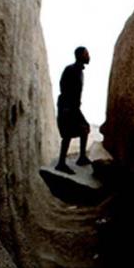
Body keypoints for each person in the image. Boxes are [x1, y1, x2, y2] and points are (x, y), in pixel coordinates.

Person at [54, 46, 92, 174]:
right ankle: (61, 163)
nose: (89, 56)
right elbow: (63, 86)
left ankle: (81, 157)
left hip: (73, 107)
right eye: (87, 54)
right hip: (67, 106)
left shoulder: (80, 71)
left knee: (84, 128)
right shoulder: (71, 69)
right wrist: (66, 108)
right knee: (68, 134)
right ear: (80, 55)